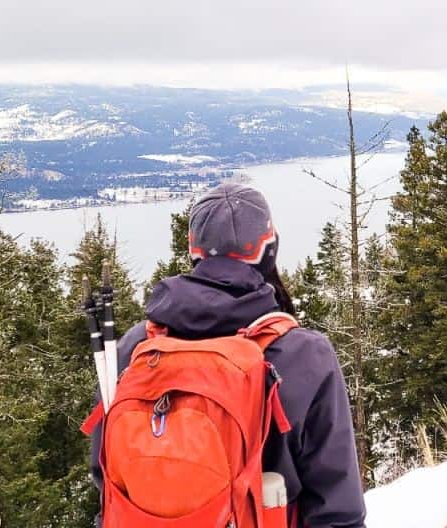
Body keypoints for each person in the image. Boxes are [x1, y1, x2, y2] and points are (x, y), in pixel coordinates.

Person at [88, 183, 368, 528]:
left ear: (194, 250)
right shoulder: (304, 355)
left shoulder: (135, 347)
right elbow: (338, 510)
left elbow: (105, 474)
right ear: (269, 249)